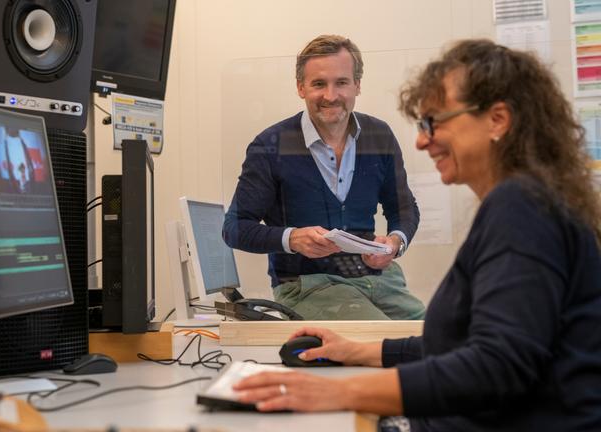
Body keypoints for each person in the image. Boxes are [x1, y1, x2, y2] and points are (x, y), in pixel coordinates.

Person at [233, 39, 601, 430]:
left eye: (434, 123)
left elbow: (494, 367)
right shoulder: (531, 201)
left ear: (497, 120)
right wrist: (361, 351)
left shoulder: (522, 209)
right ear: (301, 87)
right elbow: (463, 348)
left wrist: (340, 392)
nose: (422, 141)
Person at [222, 35, 424, 320]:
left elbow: (403, 208)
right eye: (319, 84)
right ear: (300, 87)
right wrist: (291, 238)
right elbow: (234, 228)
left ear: (357, 85)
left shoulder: (379, 135)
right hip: (307, 286)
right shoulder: (270, 145)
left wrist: (394, 242)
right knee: (386, 343)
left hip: (380, 280)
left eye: (341, 82)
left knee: (442, 339)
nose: (330, 96)